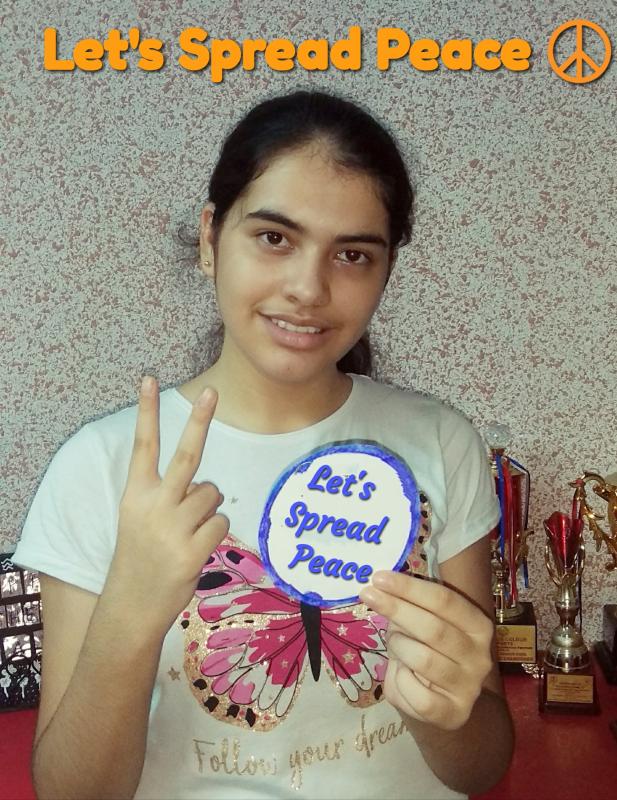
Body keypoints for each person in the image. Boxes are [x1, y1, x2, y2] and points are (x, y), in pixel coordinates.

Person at [13, 89, 514, 800]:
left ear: (385, 271)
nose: (308, 288)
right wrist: (129, 613)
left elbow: (483, 764)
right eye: (274, 238)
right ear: (211, 238)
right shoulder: (101, 469)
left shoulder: (440, 442)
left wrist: (444, 716)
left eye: (352, 254)